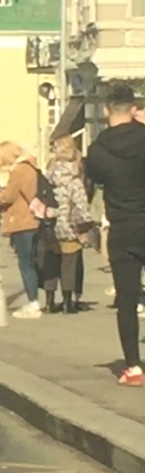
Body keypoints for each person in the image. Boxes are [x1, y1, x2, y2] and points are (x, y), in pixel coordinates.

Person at [86, 84, 145, 386]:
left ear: (107, 110)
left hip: (122, 227)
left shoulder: (98, 148)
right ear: (134, 109)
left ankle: (133, 367)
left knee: (126, 298)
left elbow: (93, 178)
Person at [41, 136, 93, 313]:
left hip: (49, 225)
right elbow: (81, 205)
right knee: (69, 264)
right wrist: (85, 227)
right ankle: (67, 302)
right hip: (69, 226)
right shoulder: (74, 180)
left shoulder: (48, 177)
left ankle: (49, 302)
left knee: (51, 263)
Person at [0, 142, 41, 319]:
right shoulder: (30, 166)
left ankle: (33, 303)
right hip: (33, 219)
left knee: (25, 263)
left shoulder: (19, 170)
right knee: (30, 261)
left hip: (23, 220)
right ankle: (34, 301)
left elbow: (9, 196)